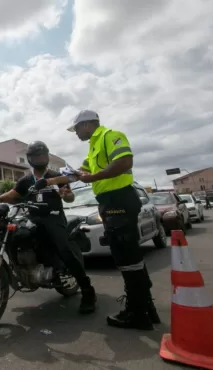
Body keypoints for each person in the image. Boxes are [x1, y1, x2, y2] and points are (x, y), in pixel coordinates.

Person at [61, 109, 160, 330]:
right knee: (127, 254)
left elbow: (125, 162)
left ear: (87, 125)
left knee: (127, 255)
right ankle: (145, 307)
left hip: (119, 200)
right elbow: (79, 173)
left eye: (76, 128)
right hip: (109, 202)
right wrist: (57, 182)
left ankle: (137, 313)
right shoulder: (93, 147)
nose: (76, 133)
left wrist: (92, 177)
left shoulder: (111, 136)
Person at [0, 141, 97, 314]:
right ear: (30, 159)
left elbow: (69, 198)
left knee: (65, 250)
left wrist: (67, 195)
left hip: (54, 218)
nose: (40, 159)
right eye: (37, 156)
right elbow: (14, 194)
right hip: (33, 218)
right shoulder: (26, 180)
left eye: (43, 155)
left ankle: (88, 291)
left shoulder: (55, 176)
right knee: (18, 235)